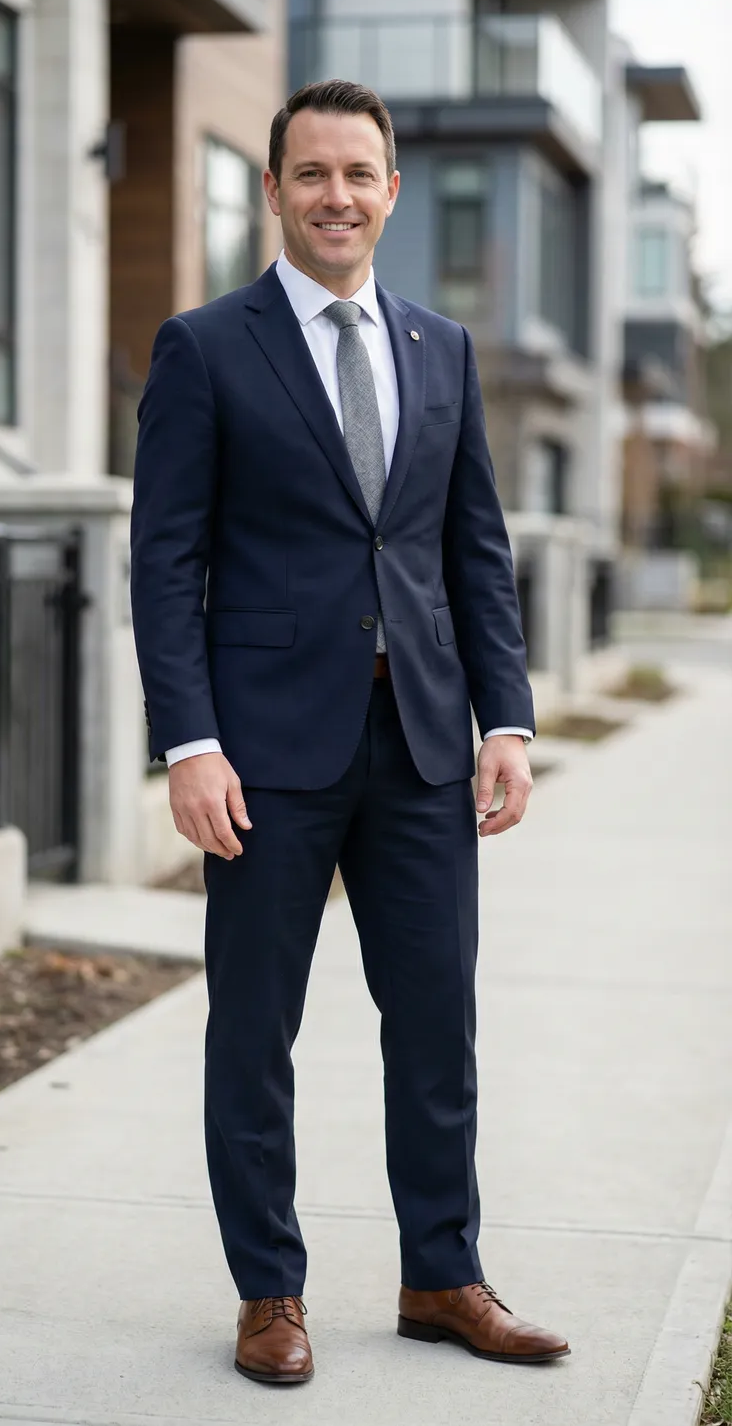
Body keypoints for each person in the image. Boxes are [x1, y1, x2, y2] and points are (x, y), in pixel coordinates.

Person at [130, 79, 569, 1385]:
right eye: (311, 174)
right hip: (264, 752)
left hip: (428, 746)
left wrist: (509, 718)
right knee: (255, 1030)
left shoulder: (440, 349)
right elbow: (167, 561)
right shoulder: (206, 347)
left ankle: (443, 1274)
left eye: (358, 174)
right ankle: (270, 1291)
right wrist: (187, 742)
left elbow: (472, 548)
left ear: (390, 190)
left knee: (437, 1022)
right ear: (274, 191)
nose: (336, 196)